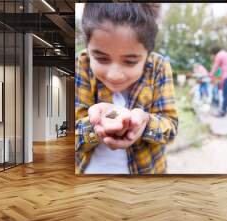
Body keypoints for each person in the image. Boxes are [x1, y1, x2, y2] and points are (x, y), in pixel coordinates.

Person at [75, 3, 178, 174]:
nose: (115, 75)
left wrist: (145, 122)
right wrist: (97, 126)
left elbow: (171, 129)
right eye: (101, 59)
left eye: (130, 62)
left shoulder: (159, 67)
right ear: (87, 48)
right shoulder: (81, 65)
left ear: (148, 54)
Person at [209, 46, 227, 117]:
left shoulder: (219, 55)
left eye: (212, 55)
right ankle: (224, 109)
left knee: (225, 95)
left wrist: (210, 75)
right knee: (226, 94)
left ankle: (223, 111)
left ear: (214, 53)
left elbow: (215, 67)